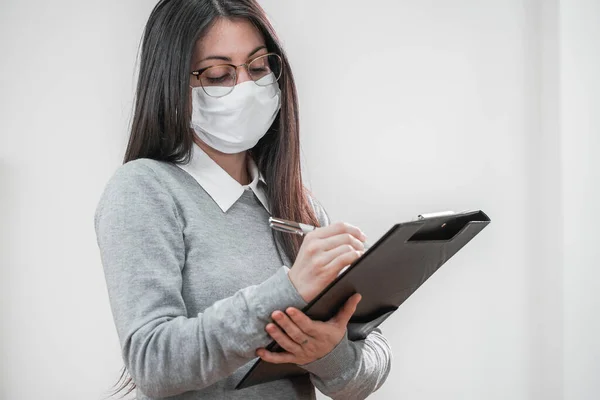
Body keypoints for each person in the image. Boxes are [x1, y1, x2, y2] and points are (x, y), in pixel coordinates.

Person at [94, 0, 392, 399]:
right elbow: (152, 362)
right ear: (170, 84)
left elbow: (368, 364)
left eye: (257, 68)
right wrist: (287, 291)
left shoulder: (295, 204)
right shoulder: (144, 190)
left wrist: (326, 354)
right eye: (218, 75)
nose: (246, 89)